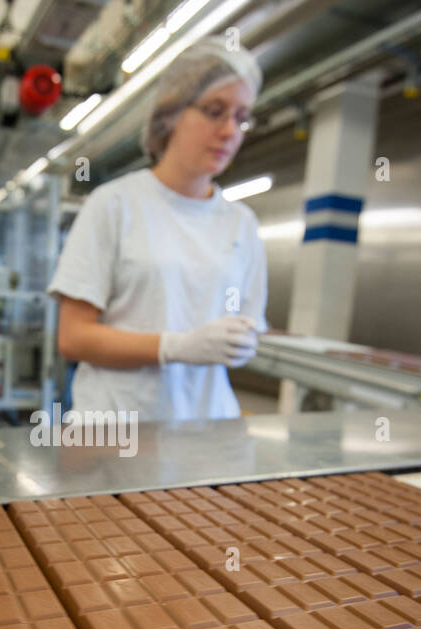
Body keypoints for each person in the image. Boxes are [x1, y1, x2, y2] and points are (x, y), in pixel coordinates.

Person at [48, 37, 267, 422]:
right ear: (172, 113)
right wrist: (176, 346)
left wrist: (241, 342)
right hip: (117, 432)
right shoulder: (115, 205)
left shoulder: (241, 224)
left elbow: (247, 322)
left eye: (241, 117)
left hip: (207, 431)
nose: (230, 130)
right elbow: (73, 338)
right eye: (214, 111)